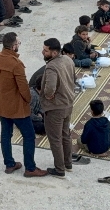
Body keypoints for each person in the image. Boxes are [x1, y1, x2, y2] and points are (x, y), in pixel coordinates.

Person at [0, 32, 46, 177]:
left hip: (1, 103)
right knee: (29, 135)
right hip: (17, 107)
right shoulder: (16, 64)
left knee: (5, 134)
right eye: (18, 44)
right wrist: (28, 101)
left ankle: (9, 164)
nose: (19, 46)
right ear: (14, 46)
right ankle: (30, 168)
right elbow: (24, 89)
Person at [40, 38, 75, 177]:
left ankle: (59, 169)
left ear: (54, 53)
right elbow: (73, 78)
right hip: (68, 103)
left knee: (55, 139)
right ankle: (68, 163)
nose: (43, 52)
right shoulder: (68, 60)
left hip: (55, 107)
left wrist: (48, 96)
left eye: (45, 50)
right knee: (65, 135)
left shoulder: (51, 66)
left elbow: (50, 88)